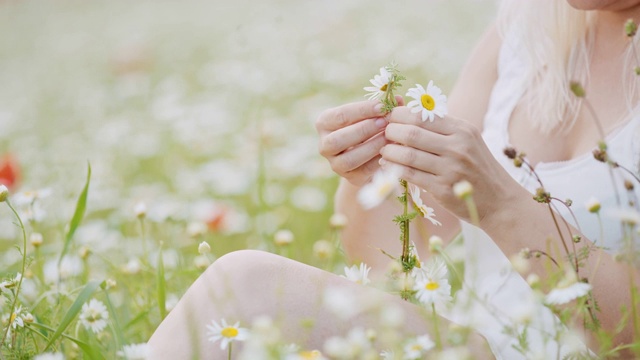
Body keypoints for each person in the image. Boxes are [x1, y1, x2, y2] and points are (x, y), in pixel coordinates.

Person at [148, 0, 640, 358]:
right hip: (468, 343)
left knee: (247, 284)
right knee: (240, 288)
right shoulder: (525, 26)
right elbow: (401, 268)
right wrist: (376, 179)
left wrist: (500, 202)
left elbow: (629, 341)